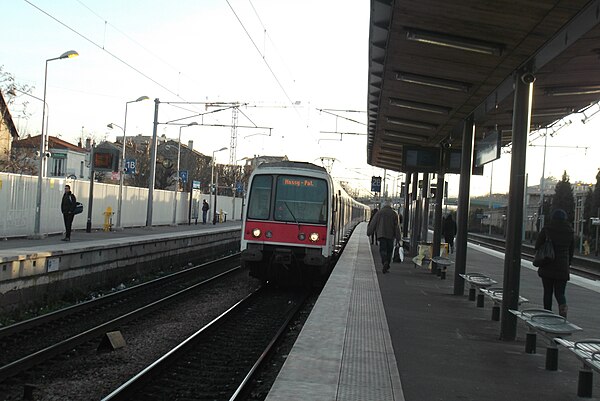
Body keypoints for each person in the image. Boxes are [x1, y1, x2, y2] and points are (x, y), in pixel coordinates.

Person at [535, 208, 574, 318]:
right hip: (562, 268)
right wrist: (568, 263)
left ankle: (547, 314)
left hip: (547, 265)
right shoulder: (570, 231)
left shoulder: (547, 229)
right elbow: (571, 251)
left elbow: (537, 246)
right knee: (560, 293)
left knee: (548, 292)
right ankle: (563, 311)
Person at [367, 201, 401, 274]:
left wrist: (369, 232)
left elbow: (373, 223)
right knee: (389, 250)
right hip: (390, 236)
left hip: (381, 234)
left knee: (382, 249)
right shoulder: (394, 213)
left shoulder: (379, 213)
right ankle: (387, 263)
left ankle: (384, 261)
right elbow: (397, 227)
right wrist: (398, 237)